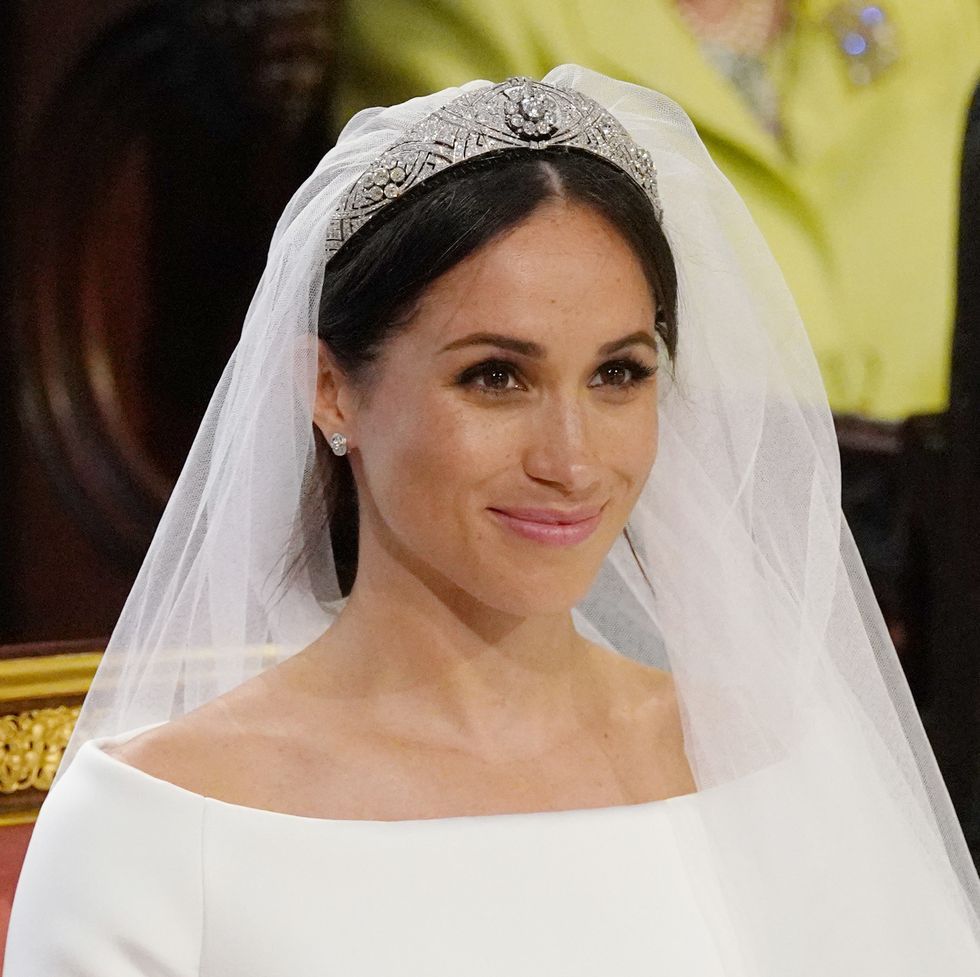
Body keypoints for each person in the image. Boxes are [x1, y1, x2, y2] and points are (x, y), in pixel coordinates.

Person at [4, 65, 980, 974]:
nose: (569, 459)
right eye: (495, 376)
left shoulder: (774, 760)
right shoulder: (158, 826)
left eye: (617, 374)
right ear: (330, 388)